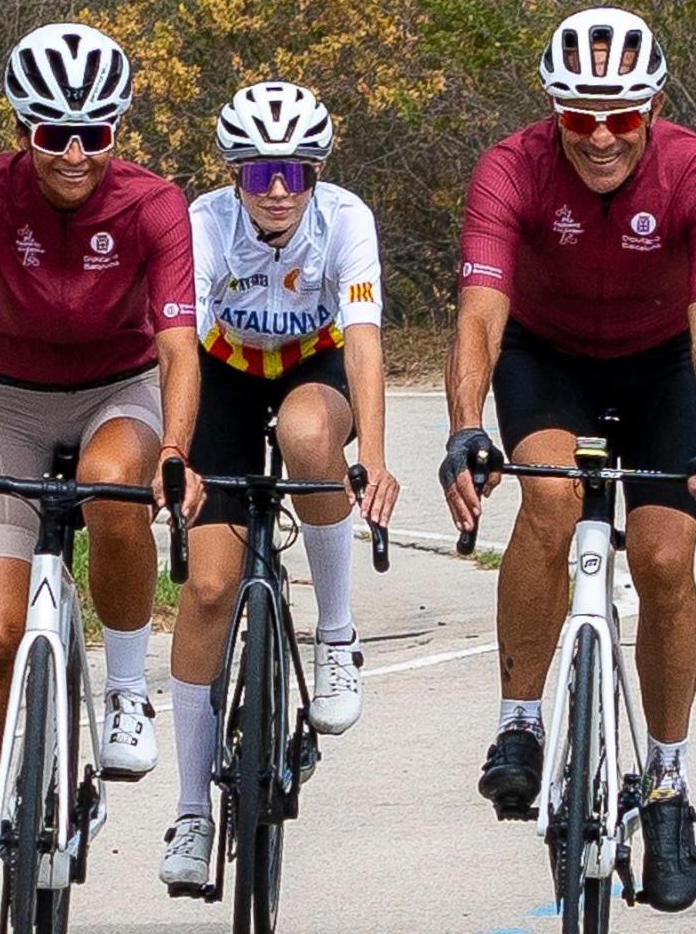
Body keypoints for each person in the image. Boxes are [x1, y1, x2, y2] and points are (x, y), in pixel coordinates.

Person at [439, 7, 696, 913]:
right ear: (554, 111)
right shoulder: (511, 168)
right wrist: (465, 427)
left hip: (663, 370)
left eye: (622, 116)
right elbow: (480, 318)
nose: (602, 136)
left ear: (655, 106)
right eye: (580, 116)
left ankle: (668, 783)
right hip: (549, 361)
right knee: (549, 500)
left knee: (663, 558)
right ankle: (519, 722)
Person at [0, 23, 205, 933]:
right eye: (53, 134)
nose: (75, 155)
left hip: (118, 391)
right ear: (22, 130)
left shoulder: (155, 204)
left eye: (95, 135)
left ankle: (125, 691)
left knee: (113, 488)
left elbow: (178, 347)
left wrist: (175, 447)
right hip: (8, 400)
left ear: (117, 131)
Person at [158, 80, 400, 891]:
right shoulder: (202, 224)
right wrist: (178, 451)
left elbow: (363, 342)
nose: (275, 191)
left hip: (312, 369)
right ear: (233, 174)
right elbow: (180, 346)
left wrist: (374, 458)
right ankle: (191, 812)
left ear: (315, 174)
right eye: (258, 173)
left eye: (292, 174)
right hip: (223, 375)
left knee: (305, 435)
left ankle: (336, 634)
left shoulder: (347, 220)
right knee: (208, 590)